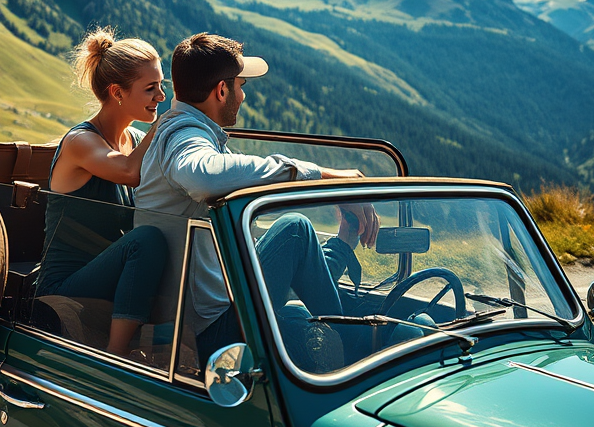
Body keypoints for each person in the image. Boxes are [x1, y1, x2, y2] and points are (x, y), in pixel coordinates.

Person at [135, 32, 379, 366]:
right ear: (222, 90)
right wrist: (323, 175)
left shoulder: (191, 132)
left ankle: (352, 336)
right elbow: (201, 174)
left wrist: (341, 244)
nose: (243, 96)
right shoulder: (184, 136)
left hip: (209, 315)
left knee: (296, 319)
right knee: (294, 229)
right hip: (204, 334)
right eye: (241, 86)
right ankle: (355, 349)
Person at [37, 28, 168, 356]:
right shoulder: (80, 142)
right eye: (151, 88)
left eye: (162, 86)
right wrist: (164, 125)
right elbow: (128, 172)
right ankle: (116, 353)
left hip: (111, 278)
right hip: (64, 287)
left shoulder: (135, 141)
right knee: (147, 239)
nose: (161, 97)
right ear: (117, 92)